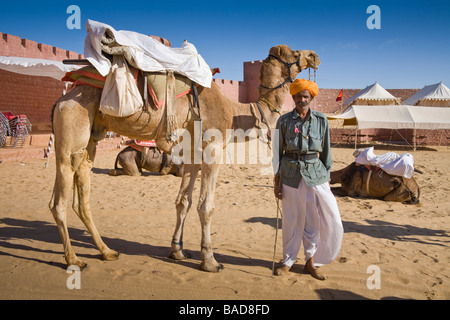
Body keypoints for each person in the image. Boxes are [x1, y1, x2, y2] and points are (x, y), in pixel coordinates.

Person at [273, 79, 343, 280]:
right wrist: (276, 181)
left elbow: (327, 152)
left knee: (315, 219)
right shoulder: (284, 121)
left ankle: (310, 262)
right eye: (299, 96)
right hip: (290, 174)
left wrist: (327, 177)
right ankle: (288, 260)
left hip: (316, 175)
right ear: (293, 98)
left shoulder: (321, 120)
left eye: (306, 96)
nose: (302, 100)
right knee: (291, 219)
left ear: (311, 98)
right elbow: (277, 153)